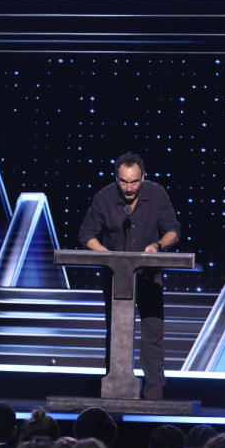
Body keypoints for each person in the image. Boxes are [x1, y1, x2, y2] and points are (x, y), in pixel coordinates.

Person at [78, 151, 180, 400]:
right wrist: (108, 255)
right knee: (116, 333)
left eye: (134, 182)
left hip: (149, 276)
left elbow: (173, 231)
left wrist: (157, 246)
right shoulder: (104, 198)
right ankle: (114, 390)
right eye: (124, 181)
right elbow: (86, 235)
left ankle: (154, 393)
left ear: (143, 177)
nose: (129, 187)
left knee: (152, 333)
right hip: (116, 278)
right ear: (116, 178)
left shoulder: (157, 194)